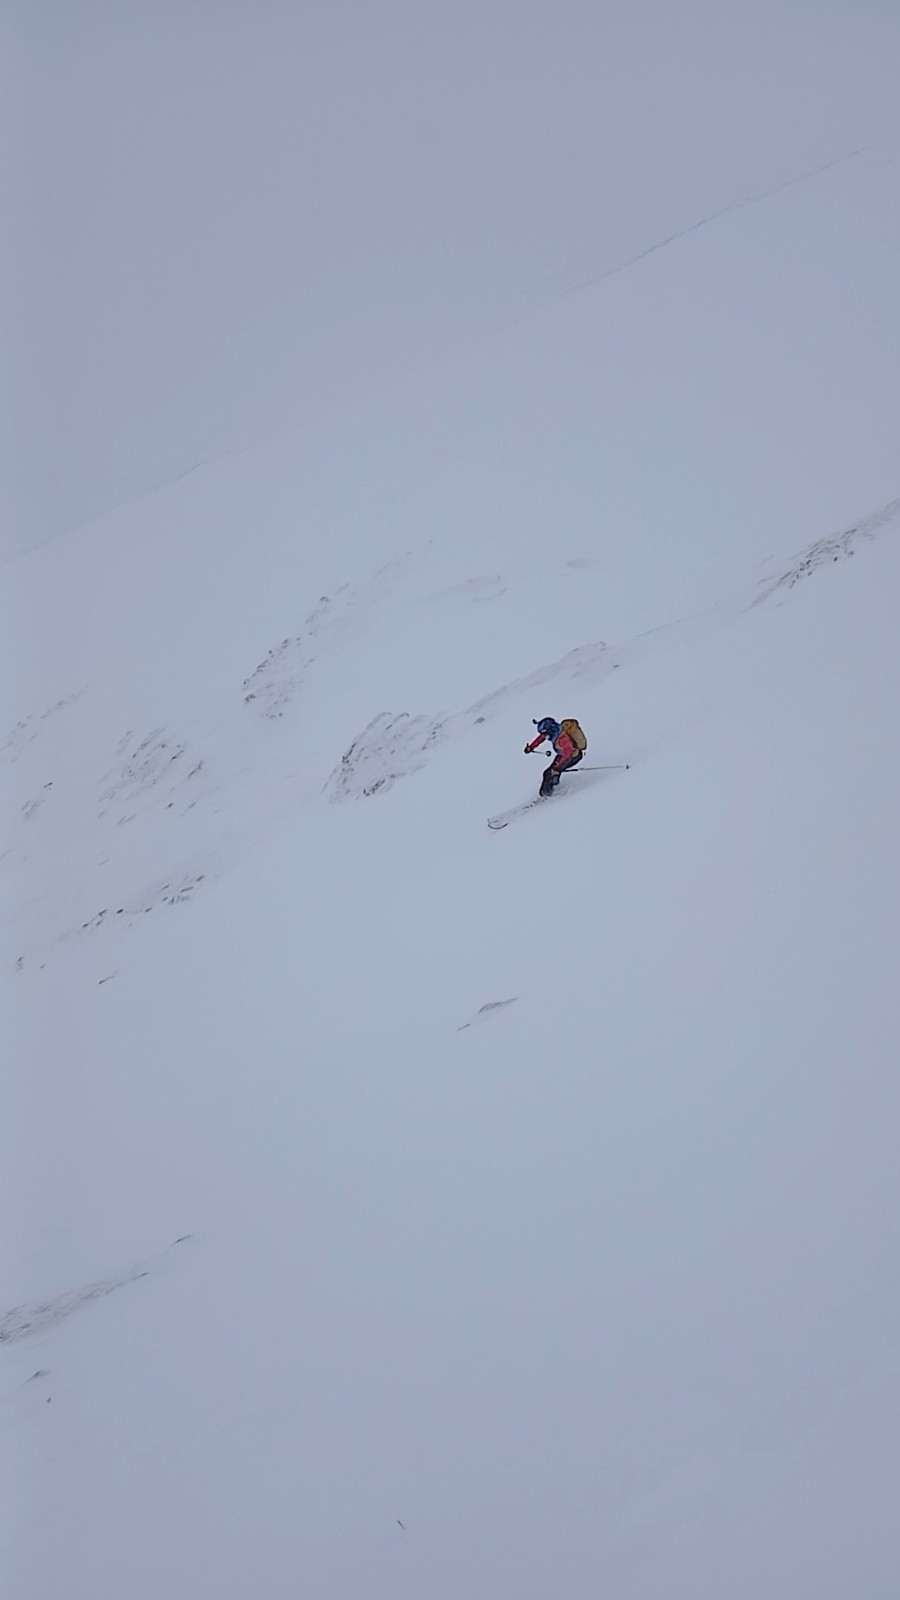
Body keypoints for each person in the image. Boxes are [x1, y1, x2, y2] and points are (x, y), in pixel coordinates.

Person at [524, 716, 586, 797]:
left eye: (545, 733)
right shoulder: (554, 732)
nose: (544, 736)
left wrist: (557, 767)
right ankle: (553, 786)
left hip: (572, 757)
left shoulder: (562, 738)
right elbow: (541, 738)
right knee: (550, 772)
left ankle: (546, 794)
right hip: (563, 755)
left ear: (550, 730)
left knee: (549, 773)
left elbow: (568, 754)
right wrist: (531, 747)